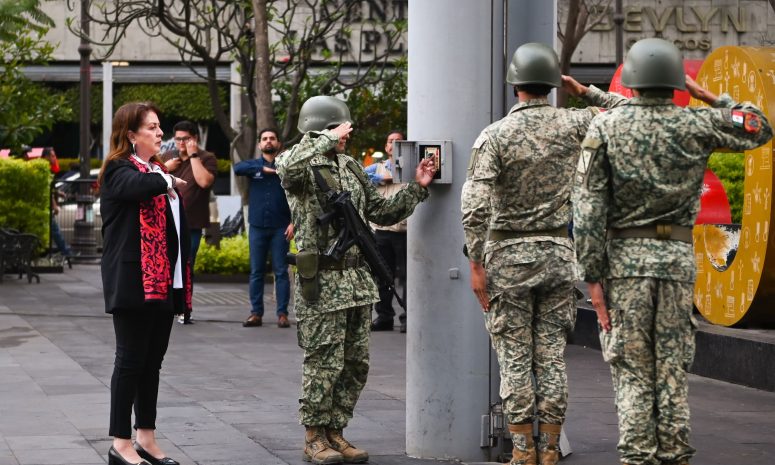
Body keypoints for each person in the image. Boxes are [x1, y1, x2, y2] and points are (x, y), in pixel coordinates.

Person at [573, 38, 773, 465]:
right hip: (677, 261)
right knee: (672, 369)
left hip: (625, 264)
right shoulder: (695, 124)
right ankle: (676, 456)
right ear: (675, 83)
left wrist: (592, 277)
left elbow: (588, 208)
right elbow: (759, 126)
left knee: (631, 370)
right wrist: (709, 97)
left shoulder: (606, 129)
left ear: (632, 82)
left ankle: (638, 457)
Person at [460, 42, 628, 465]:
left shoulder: (494, 135)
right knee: (551, 355)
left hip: (507, 260)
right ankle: (551, 447)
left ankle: (522, 451)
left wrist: (476, 265)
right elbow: (627, 112)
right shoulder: (576, 123)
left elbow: (475, 205)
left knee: (515, 357)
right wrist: (585, 91)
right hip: (557, 255)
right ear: (554, 84)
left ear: (514, 84)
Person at [277, 96, 435, 465]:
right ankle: (314, 436)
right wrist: (325, 140)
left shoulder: (349, 166)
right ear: (321, 129)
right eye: (340, 129)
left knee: (355, 362)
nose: (346, 136)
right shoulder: (300, 165)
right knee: (323, 362)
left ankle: (336, 431)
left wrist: (417, 186)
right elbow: (286, 168)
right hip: (322, 282)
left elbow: (378, 211)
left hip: (356, 280)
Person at [99, 102, 192, 465]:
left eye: (159, 127)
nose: (159, 133)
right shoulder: (119, 170)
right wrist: (166, 177)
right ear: (131, 134)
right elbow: (139, 186)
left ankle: (146, 437)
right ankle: (120, 443)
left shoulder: (154, 171)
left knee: (152, 363)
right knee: (130, 361)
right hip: (133, 281)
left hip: (165, 282)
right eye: (151, 128)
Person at [234, 128, 293, 328]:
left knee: (281, 272)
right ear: (260, 144)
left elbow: (298, 197)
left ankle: (282, 314)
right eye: (265, 139)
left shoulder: (287, 165)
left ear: (278, 143)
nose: (268, 142)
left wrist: (294, 222)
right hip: (257, 226)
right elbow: (238, 168)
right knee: (256, 271)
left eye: (272, 139)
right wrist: (262, 170)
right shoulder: (254, 166)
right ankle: (256, 313)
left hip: (281, 227)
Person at [162, 121, 217, 324]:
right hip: (167, 222)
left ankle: (185, 308)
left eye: (186, 138)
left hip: (191, 224)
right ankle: (168, 306)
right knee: (167, 264)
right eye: (178, 139)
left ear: (195, 138)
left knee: (186, 264)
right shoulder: (168, 158)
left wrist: (193, 156)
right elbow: (151, 179)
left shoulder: (207, 158)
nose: (181, 143)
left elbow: (204, 182)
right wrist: (166, 168)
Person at [364, 131, 408, 332]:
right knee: (382, 276)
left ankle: (408, 316)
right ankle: (384, 316)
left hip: (406, 231)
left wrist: (395, 176)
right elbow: (362, 176)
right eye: (390, 141)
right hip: (381, 230)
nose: (393, 144)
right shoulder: (377, 168)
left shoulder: (410, 166)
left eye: (398, 141)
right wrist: (382, 178)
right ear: (386, 146)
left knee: (408, 278)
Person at [41, 147, 74, 259]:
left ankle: (63, 251)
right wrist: (54, 205)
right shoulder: (43, 169)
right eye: (52, 156)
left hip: (43, 207)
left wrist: (59, 193)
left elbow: (50, 188)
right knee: (55, 230)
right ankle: (66, 252)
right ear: (46, 157)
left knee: (53, 231)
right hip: (44, 206)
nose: (54, 158)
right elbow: (46, 189)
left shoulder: (47, 169)